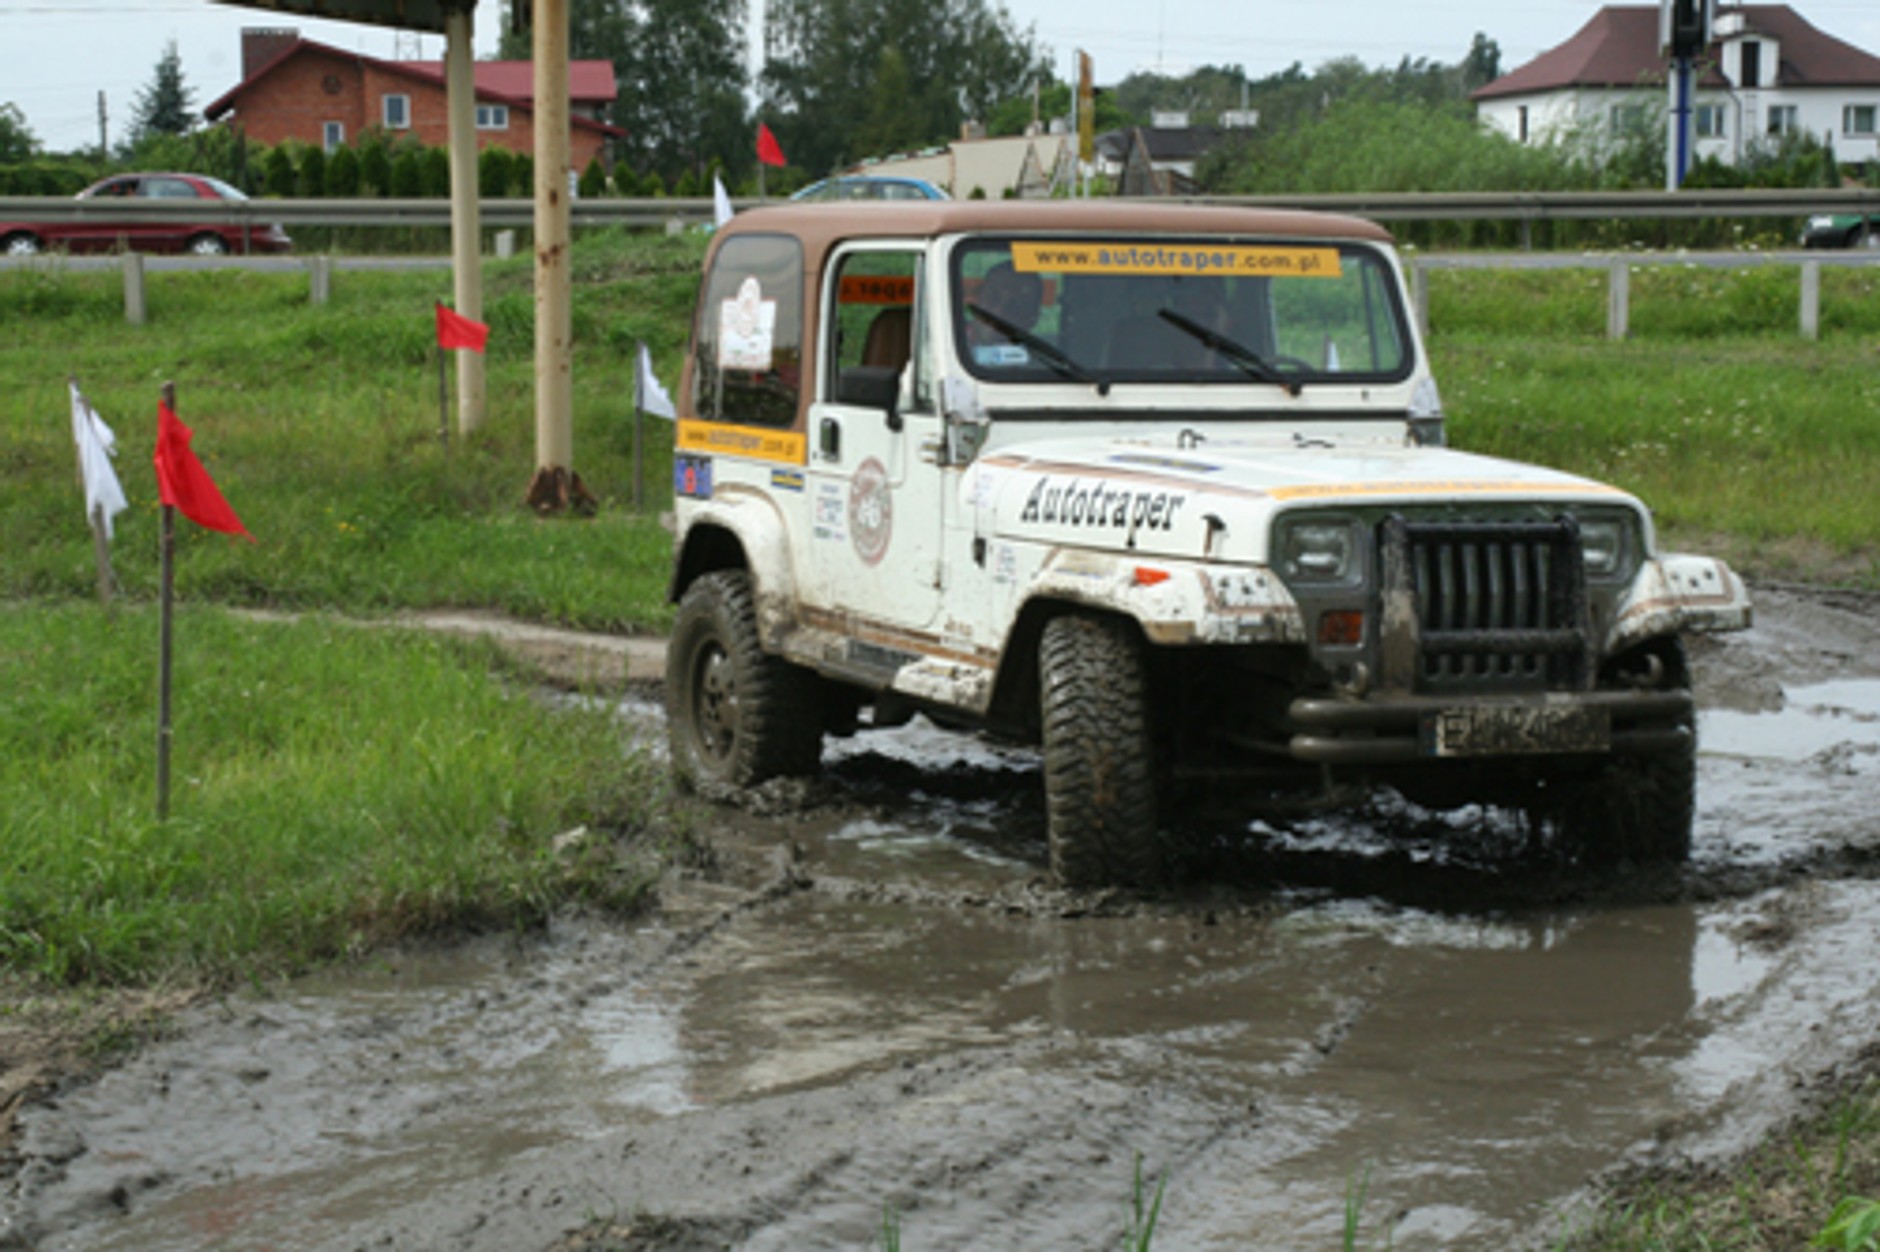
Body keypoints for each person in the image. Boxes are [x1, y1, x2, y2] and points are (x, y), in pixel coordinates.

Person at [965, 260, 1042, 363]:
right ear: (976, 300)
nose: (998, 312)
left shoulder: (1043, 363)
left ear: (1033, 318)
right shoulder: (948, 339)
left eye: (1014, 306)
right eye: (992, 298)